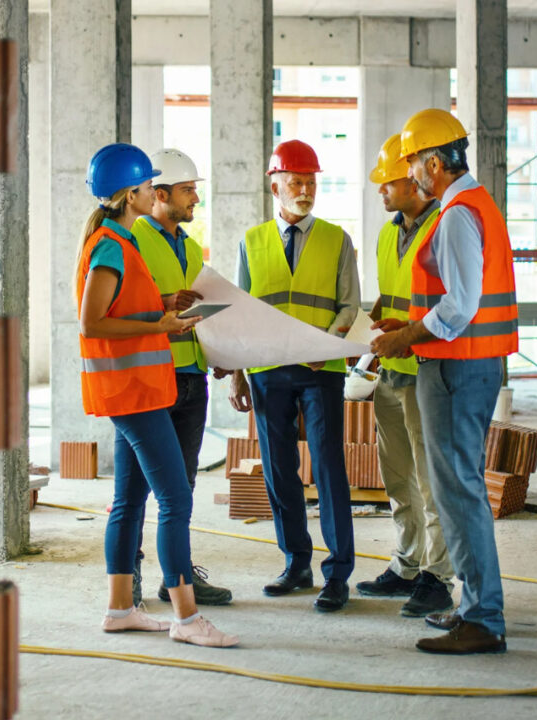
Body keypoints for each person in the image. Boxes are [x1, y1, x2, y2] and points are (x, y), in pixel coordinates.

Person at [77, 143, 238, 648]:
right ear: (132, 195)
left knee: (128, 501)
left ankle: (120, 609)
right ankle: (187, 618)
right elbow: (92, 322)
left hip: (135, 388)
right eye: (149, 185)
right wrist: (162, 327)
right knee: (175, 498)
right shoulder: (112, 246)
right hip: (134, 391)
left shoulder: (118, 242)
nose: (154, 190)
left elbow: (124, 308)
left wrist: (163, 308)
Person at [371, 109, 518, 655]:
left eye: (413, 163)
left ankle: (482, 617)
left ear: (435, 163)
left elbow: (459, 306)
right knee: (460, 488)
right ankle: (473, 606)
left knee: (458, 491)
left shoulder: (457, 213)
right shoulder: (476, 204)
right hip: (468, 364)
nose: (410, 175)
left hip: (456, 367)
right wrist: (407, 325)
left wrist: (407, 335)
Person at [227, 139, 360, 613]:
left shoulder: (337, 239)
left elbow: (349, 305)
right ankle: (296, 562)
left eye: (311, 182)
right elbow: (240, 311)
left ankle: (338, 572)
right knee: (280, 470)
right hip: (265, 372)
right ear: (275, 185)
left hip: (320, 371)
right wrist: (238, 375)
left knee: (328, 469)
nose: (305, 190)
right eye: (296, 182)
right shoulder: (251, 241)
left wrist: (331, 343)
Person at [353, 133, 457, 619]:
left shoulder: (445, 225)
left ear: (413, 180)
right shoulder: (387, 233)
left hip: (427, 371)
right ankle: (409, 562)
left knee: (432, 480)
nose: (381, 190)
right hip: (390, 371)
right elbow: (389, 299)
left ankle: (439, 574)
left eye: (388, 181)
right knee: (398, 479)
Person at [130, 148, 233, 608]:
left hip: (191, 375)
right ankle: (126, 572)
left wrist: (222, 350)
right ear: (160, 193)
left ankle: (177, 576)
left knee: (182, 486)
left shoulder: (189, 246)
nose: (196, 200)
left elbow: (194, 313)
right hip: (150, 377)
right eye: (189, 191)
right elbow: (120, 309)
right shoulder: (132, 238)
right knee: (135, 485)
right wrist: (165, 301)